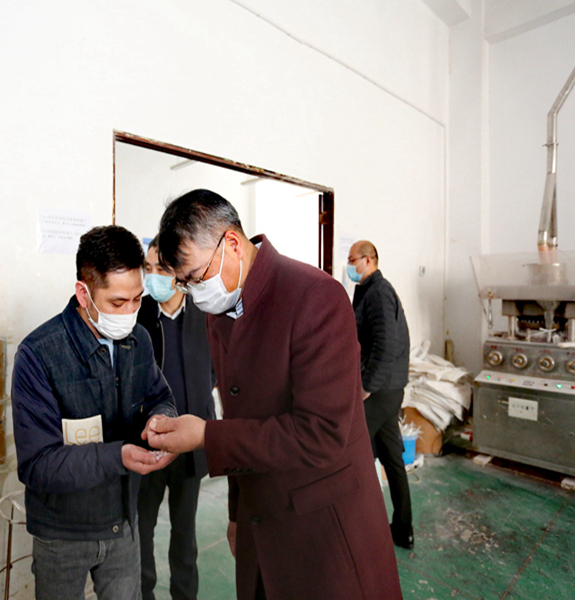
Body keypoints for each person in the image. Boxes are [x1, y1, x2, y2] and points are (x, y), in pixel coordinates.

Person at [144, 189, 402, 600]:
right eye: (185, 284)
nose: (194, 291)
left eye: (195, 276)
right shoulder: (221, 312)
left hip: (323, 527)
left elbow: (322, 434)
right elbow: (239, 416)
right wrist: (236, 514)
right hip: (259, 518)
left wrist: (206, 436)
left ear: (232, 243)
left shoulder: (315, 296)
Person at [11, 225, 178, 600]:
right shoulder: (38, 355)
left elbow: (160, 395)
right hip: (62, 535)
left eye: (137, 299)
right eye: (118, 303)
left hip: (124, 523)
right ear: (83, 293)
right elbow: (37, 465)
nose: (130, 312)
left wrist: (160, 421)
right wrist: (118, 456)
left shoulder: (138, 341)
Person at [136, 235, 217, 600]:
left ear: (179, 272)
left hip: (190, 445)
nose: (153, 276)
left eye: (162, 269)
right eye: (148, 268)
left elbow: (214, 370)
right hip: (147, 442)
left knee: (185, 534)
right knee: (142, 530)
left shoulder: (205, 314)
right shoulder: (138, 317)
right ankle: (144, 593)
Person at [348, 240, 413, 549]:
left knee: (349, 453)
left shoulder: (379, 292)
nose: (349, 266)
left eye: (352, 260)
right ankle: (403, 529)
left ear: (369, 259)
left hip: (381, 391)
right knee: (391, 458)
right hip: (388, 389)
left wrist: (366, 386)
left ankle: (357, 529)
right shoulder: (368, 291)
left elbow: (385, 345)